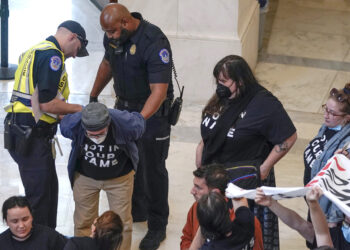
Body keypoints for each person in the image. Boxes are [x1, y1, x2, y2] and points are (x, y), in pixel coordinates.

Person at [89, 3, 174, 250]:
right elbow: (107, 64)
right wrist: (94, 95)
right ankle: (138, 210)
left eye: (113, 32)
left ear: (125, 23)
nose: (110, 37)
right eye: (107, 33)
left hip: (152, 113)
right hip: (123, 107)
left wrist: (140, 119)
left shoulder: (153, 40)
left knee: (153, 168)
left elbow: (159, 91)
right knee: (128, 162)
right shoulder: (113, 37)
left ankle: (157, 226)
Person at [195, 54, 297, 249]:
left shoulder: (264, 103)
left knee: (241, 232)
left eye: (224, 81)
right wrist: (202, 146)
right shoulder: (222, 97)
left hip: (244, 181)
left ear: (240, 81)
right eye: (217, 81)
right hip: (215, 176)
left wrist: (265, 168)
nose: (219, 86)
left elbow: (289, 137)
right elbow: (213, 127)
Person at [3, 20, 89, 229]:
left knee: (49, 190)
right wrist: (80, 109)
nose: (75, 55)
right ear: (72, 38)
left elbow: (34, 100)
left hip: (22, 131)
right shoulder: (53, 56)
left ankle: (48, 239)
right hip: (31, 136)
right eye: (78, 49)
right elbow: (47, 103)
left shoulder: (34, 50)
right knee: (40, 199)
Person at [60, 102, 145, 250]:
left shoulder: (126, 123)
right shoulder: (74, 124)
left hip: (120, 178)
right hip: (85, 177)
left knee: (122, 224)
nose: (96, 137)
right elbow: (63, 124)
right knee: (83, 222)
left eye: (100, 133)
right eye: (91, 134)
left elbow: (140, 122)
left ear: (108, 123)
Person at [304, 83, 350, 240]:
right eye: (326, 109)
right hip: (315, 200)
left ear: (346, 118)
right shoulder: (327, 126)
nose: (326, 115)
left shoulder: (347, 144)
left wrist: (332, 220)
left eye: (332, 113)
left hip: (328, 215)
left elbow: (341, 186)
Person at [180, 164, 264, 250]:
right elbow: (186, 237)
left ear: (215, 193)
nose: (192, 191)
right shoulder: (197, 207)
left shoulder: (250, 223)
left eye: (198, 187)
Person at [255, 185, 347, 249]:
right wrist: (272, 203)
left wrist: (313, 203)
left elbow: (321, 235)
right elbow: (299, 224)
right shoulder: (337, 235)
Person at [189, 192, 255, 250]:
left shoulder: (209, 248)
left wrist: (203, 223)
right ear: (227, 211)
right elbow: (239, 199)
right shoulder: (246, 222)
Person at [0, 196, 67, 250]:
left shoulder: (50, 237)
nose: (21, 225)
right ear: (6, 222)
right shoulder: (2, 242)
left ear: (32, 217)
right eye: (15, 221)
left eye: (25, 219)